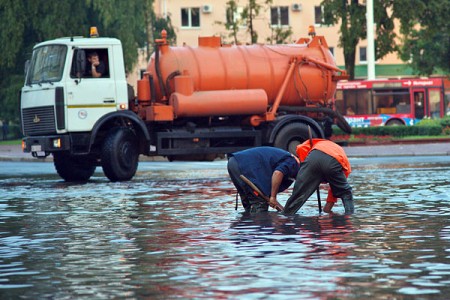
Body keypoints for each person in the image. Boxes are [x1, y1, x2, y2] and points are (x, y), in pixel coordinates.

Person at [284, 139, 354, 215]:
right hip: (334, 162)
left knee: (298, 194)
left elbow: (300, 148)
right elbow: (334, 191)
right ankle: (349, 216)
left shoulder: (318, 142)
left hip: (314, 159)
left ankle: (286, 215)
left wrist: (306, 168)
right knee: (346, 193)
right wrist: (327, 210)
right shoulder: (346, 166)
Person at [227, 146, 300, 213]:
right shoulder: (292, 162)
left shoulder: (286, 160)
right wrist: (273, 197)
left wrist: (273, 200)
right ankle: (260, 224)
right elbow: (278, 173)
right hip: (244, 166)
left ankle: (248, 224)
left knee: (249, 204)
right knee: (260, 203)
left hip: (234, 162)